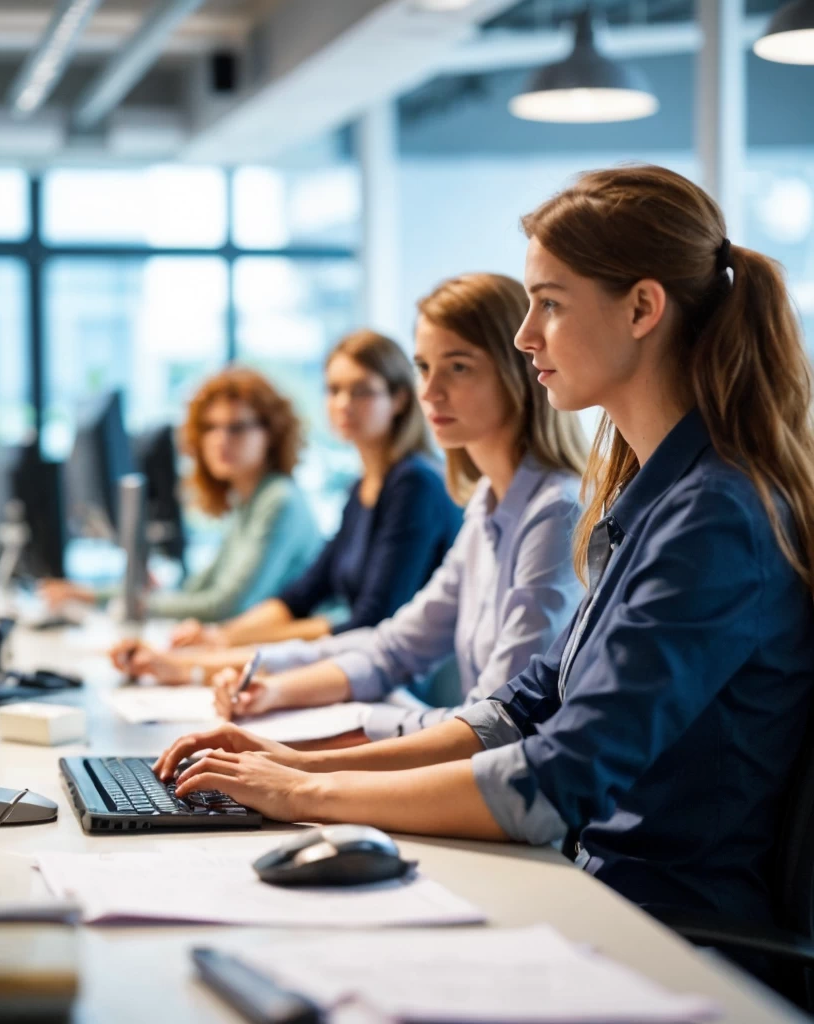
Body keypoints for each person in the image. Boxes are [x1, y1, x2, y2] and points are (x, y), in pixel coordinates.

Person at [153, 165, 814, 931]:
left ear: (642, 308)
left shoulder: (716, 516)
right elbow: (522, 708)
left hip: (664, 927)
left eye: (550, 305)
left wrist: (303, 795)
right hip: (591, 889)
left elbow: (562, 777)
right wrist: (298, 765)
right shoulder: (652, 497)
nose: (526, 336)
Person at [125, 274, 589, 743]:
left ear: (520, 369)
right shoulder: (487, 504)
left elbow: (496, 723)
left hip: (494, 774)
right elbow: (389, 646)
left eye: (459, 367)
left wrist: (312, 757)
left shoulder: (552, 513)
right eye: (424, 367)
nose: (430, 392)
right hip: (451, 743)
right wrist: (272, 689)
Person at [113, 329, 463, 674]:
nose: (343, 404)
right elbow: (302, 595)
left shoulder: (414, 484)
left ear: (400, 399)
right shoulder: (361, 489)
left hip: (401, 684)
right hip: (360, 667)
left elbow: (370, 622)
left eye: (361, 391)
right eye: (334, 390)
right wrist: (220, 636)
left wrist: (218, 651)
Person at [46, 367, 321, 622]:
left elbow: (226, 606)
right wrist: (97, 595)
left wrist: (139, 604)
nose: (220, 439)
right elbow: (196, 590)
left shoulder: (278, 500)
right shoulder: (248, 501)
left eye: (236, 427)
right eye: (209, 428)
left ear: (271, 434)